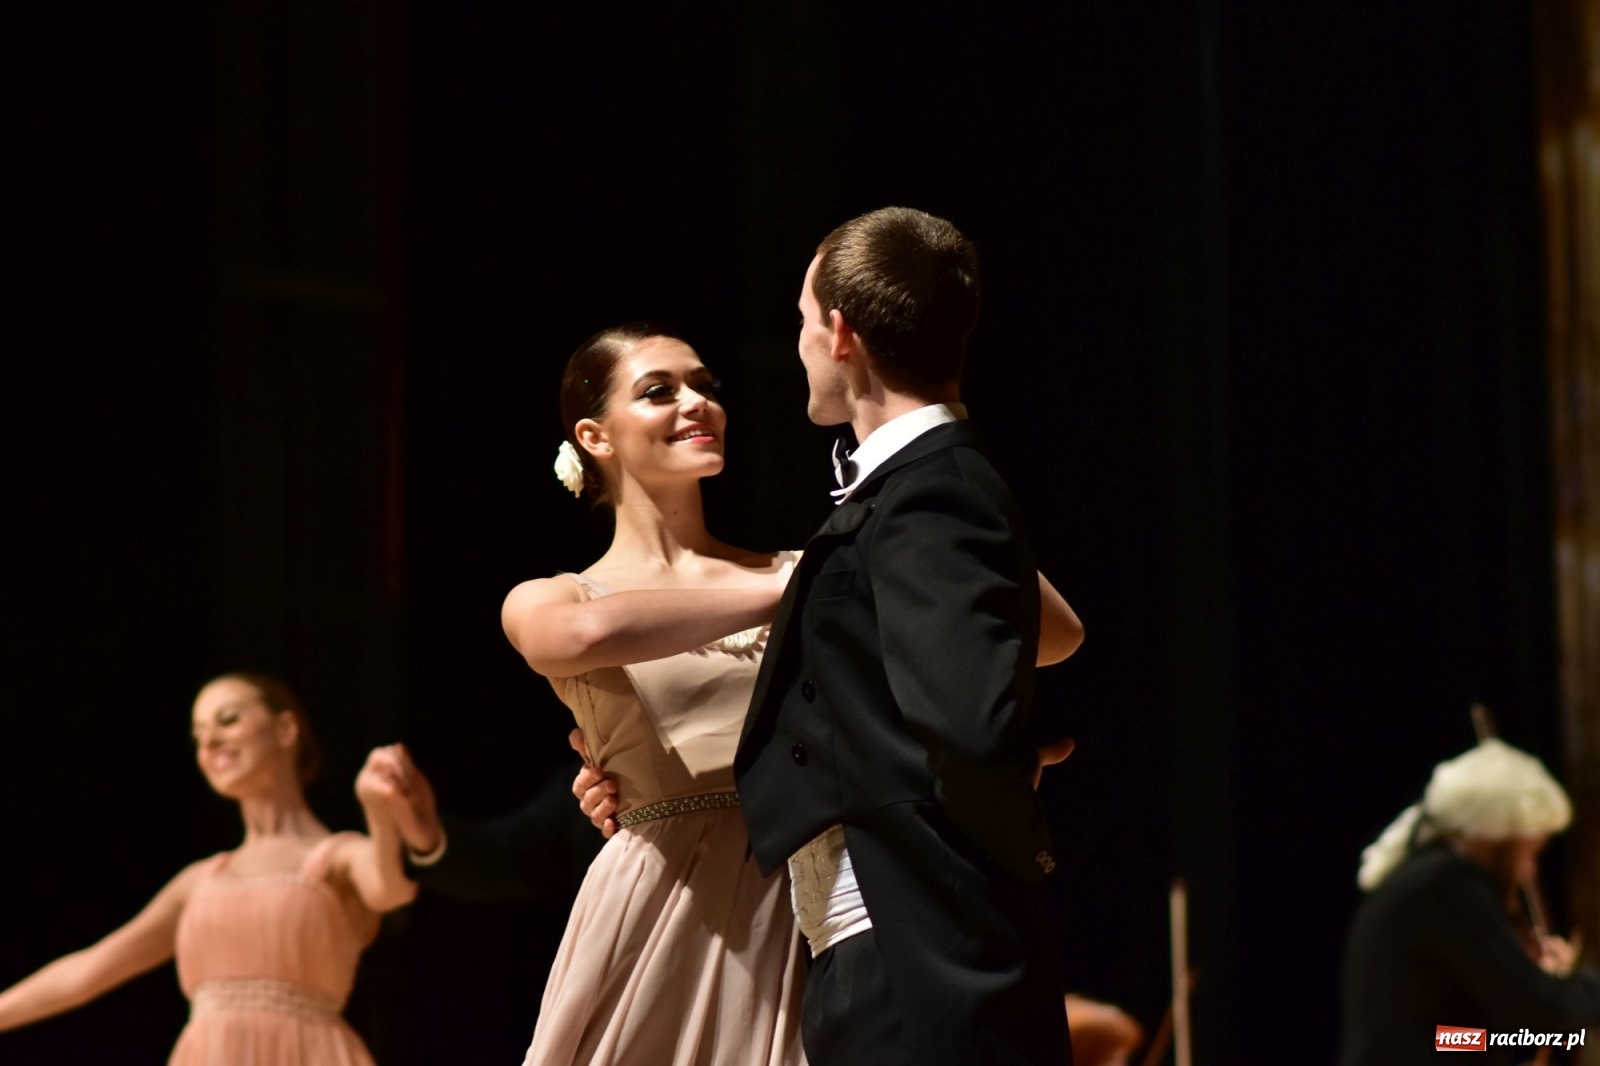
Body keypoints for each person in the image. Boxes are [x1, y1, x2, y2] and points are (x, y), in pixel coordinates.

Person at [732, 206, 1075, 1065]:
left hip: (927, 950)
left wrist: (1015, 800)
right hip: (891, 943)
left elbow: (965, 723)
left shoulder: (934, 494)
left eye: (806, 320)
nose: (803, 341)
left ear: (841, 333)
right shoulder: (913, 490)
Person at [0, 672, 415, 1065]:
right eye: (199, 734)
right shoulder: (200, 881)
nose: (210, 741)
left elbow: (391, 889)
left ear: (286, 731)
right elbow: (90, 970)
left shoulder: (338, 857)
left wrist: (378, 810)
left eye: (228, 720)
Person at [1339, 737, 1600, 1065]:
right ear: (1500, 836)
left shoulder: (1422, 876)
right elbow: (1532, 1012)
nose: (1529, 872)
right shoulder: (1449, 886)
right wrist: (1574, 990)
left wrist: (1545, 1006)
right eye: (1531, 852)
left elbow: (1451, 1039)